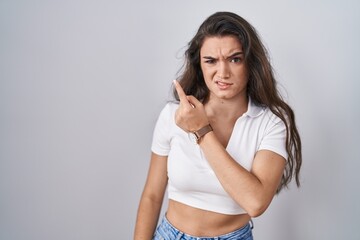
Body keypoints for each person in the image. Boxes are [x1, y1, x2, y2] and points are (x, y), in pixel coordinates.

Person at [134, 11, 302, 240]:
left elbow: (255, 203)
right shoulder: (173, 115)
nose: (222, 73)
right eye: (211, 61)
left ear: (250, 63)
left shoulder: (271, 123)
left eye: (234, 59)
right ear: (199, 65)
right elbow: (152, 196)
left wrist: (202, 131)